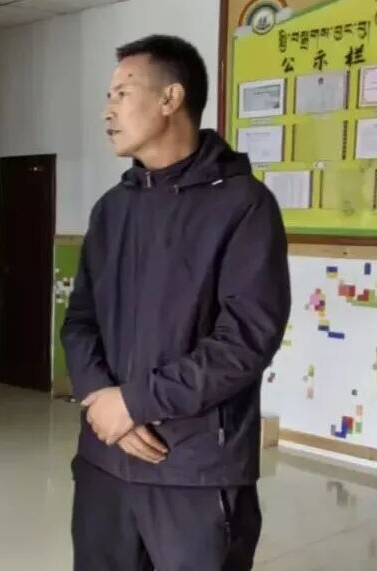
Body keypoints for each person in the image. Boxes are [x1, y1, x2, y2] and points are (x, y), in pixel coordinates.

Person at [62, 35, 290, 571]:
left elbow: (245, 340)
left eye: (122, 93)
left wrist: (135, 402)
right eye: (109, 96)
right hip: (105, 461)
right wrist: (104, 402)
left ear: (171, 98)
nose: (108, 111)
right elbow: (80, 321)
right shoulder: (111, 210)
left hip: (194, 470)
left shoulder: (244, 206)